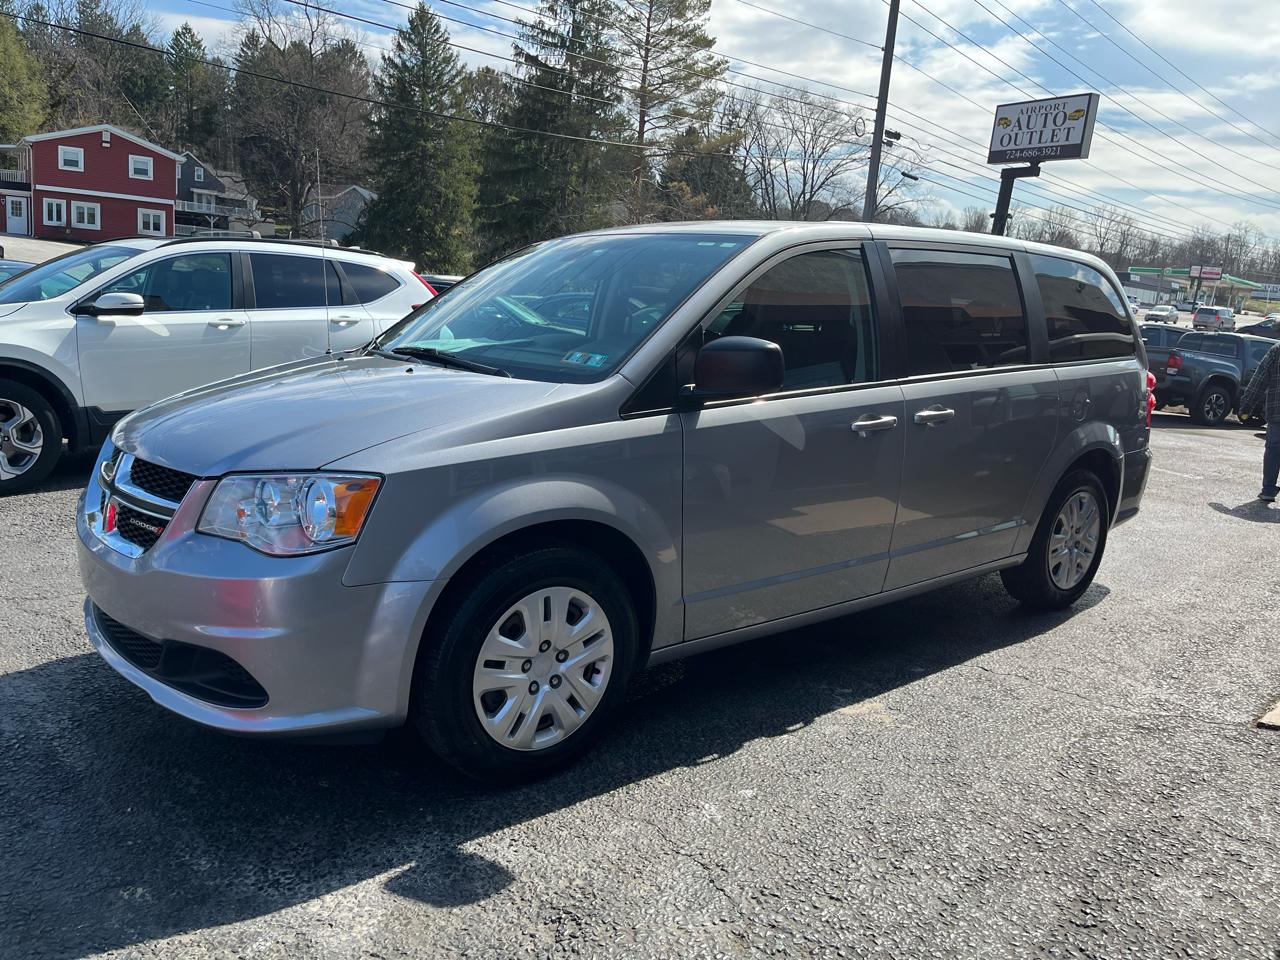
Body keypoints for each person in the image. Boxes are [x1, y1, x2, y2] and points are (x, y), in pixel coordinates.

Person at [1240, 339, 1280, 503]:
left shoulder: (1277, 351)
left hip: (1277, 412)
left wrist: (1246, 406)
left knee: (1273, 450)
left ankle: (1269, 490)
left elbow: (1259, 380)